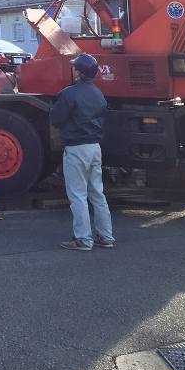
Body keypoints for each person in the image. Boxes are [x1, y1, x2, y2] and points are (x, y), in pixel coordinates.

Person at [49, 52, 115, 251]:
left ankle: (83, 239)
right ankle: (106, 236)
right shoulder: (98, 93)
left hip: (76, 148)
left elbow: (56, 119)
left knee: (78, 195)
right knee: (97, 194)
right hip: (95, 147)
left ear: (78, 72)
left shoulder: (69, 93)